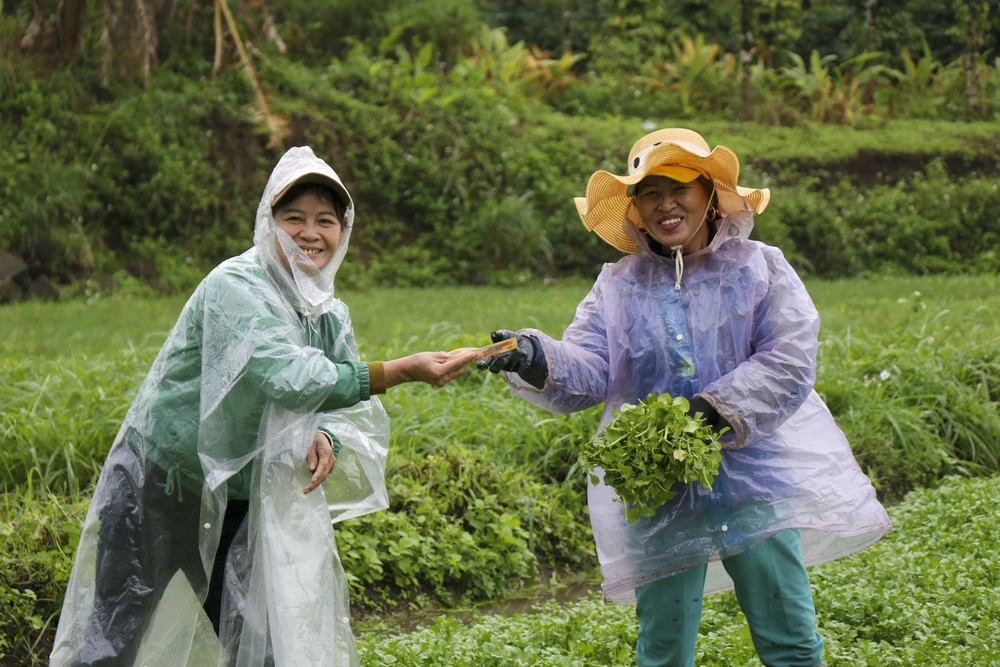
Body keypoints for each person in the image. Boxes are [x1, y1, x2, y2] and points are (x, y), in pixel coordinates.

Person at [478, 128, 891, 667]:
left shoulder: (758, 267)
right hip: (660, 489)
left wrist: (713, 411)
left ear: (709, 194)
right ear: (635, 207)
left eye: (678, 188)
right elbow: (593, 368)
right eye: (649, 192)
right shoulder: (617, 285)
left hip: (754, 478)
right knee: (663, 651)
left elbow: (789, 359)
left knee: (788, 639)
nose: (665, 204)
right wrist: (536, 355)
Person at [51, 146, 478, 667]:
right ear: (267, 223)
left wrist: (328, 436)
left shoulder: (327, 312)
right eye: (292, 218)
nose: (309, 233)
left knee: (262, 646)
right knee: (116, 637)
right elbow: (290, 377)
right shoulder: (237, 285)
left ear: (343, 231)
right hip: (162, 482)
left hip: (241, 499)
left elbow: (332, 398)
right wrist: (404, 369)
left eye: (325, 220)